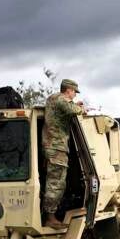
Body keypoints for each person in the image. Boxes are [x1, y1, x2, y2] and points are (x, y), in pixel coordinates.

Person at [42, 79, 85, 228]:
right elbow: (73, 110)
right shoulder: (61, 99)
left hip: (52, 146)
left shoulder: (53, 98)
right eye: (74, 92)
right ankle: (50, 218)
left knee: (54, 181)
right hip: (57, 147)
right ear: (69, 90)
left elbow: (67, 107)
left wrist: (74, 105)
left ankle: (50, 215)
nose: (74, 95)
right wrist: (81, 108)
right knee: (56, 183)